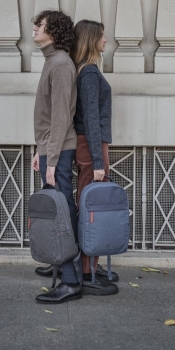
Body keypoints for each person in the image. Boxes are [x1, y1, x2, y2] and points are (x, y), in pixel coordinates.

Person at [31, 10, 82, 304]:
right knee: (57, 210)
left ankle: (71, 280)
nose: (35, 27)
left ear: (55, 31)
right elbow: (47, 115)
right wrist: (40, 150)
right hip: (52, 148)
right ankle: (60, 263)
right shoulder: (52, 60)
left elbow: (62, 116)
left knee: (62, 212)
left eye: (41, 24)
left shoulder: (61, 64)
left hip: (60, 150)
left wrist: (51, 159)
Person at [71, 20, 120, 296]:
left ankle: (91, 265)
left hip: (90, 145)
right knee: (92, 208)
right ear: (91, 40)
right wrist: (98, 161)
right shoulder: (89, 73)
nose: (105, 40)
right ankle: (86, 271)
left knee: (91, 205)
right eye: (101, 36)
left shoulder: (87, 71)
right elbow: (90, 118)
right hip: (91, 146)